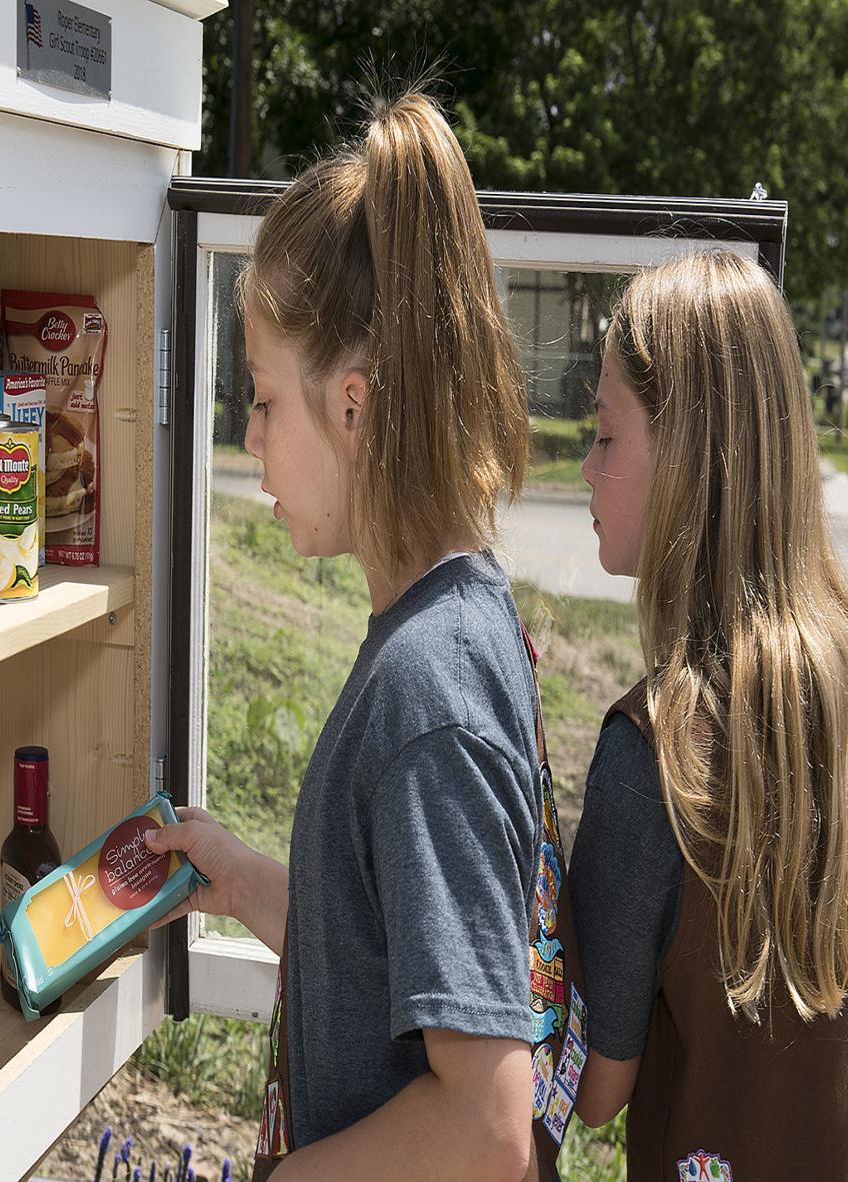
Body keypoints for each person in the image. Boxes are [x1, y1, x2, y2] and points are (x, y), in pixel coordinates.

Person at [144, 90, 547, 1181]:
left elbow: (488, 1124)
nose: (251, 440)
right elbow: (386, 951)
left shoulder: (428, 691)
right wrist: (237, 875)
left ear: (356, 407)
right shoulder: (446, 622)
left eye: (267, 402)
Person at [568, 250, 848, 1179]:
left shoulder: (653, 754)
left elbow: (596, 1093)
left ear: (685, 458)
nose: (587, 469)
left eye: (604, 435)